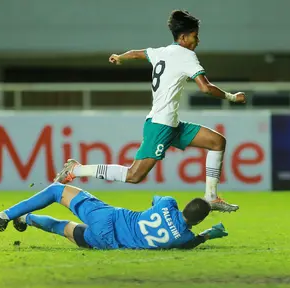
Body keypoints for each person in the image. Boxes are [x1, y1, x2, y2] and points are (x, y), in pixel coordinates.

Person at [54, 10, 246, 213]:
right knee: (134, 176)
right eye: (195, 35)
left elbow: (138, 53)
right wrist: (232, 97)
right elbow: (205, 88)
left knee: (217, 142)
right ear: (183, 37)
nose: (198, 40)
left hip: (172, 124)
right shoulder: (187, 56)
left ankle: (211, 197)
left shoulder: (160, 51)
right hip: (161, 125)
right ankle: (76, 169)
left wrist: (121, 57)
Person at [0, 183, 228, 250]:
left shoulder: (168, 204)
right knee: (62, 228)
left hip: (109, 218)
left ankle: (4, 216)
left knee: (55, 191)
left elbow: (154, 198)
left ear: (184, 206)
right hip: (107, 243)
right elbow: (193, 242)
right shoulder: (184, 238)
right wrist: (209, 234)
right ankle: (25, 219)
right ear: (198, 222)